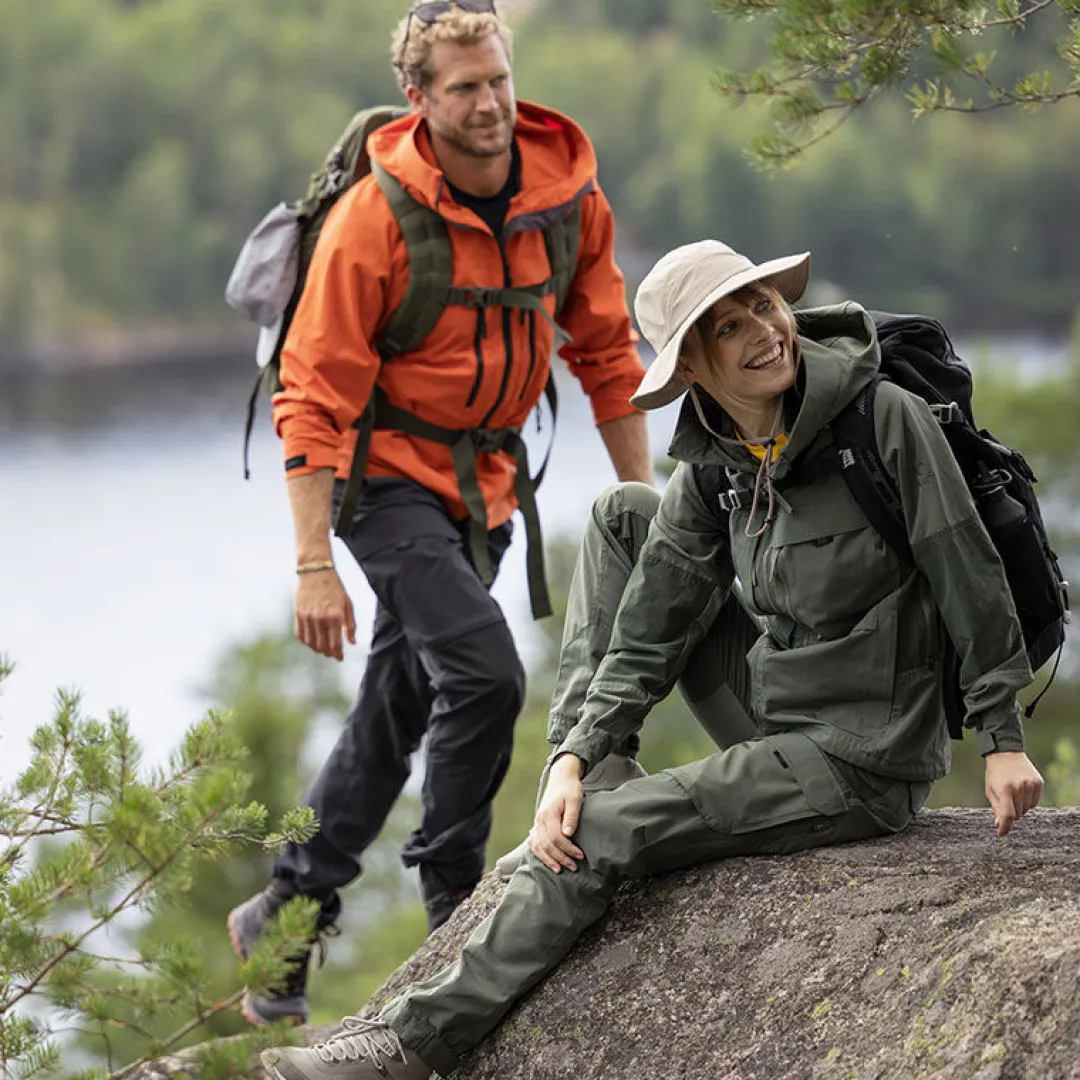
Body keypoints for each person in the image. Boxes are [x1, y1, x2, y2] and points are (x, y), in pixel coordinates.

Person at [257, 237, 1045, 1080]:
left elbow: (971, 574)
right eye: (728, 327)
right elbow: (649, 622)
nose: (765, 334)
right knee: (626, 514)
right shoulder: (718, 461)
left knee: (597, 839)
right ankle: (585, 787)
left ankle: (409, 1047)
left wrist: (1001, 738)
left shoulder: (881, 419)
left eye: (764, 309)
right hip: (776, 709)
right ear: (694, 367)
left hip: (861, 754)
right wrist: (574, 753)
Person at [226, 0, 654, 1028]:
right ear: (419, 100)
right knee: (487, 674)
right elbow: (312, 394)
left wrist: (644, 505)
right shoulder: (379, 218)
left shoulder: (565, 198)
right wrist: (311, 565)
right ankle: (455, 900)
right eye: (463, 88)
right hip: (380, 485)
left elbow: (606, 353)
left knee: (399, 705)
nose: (489, 103)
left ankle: (286, 912)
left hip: (485, 488)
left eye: (498, 78)